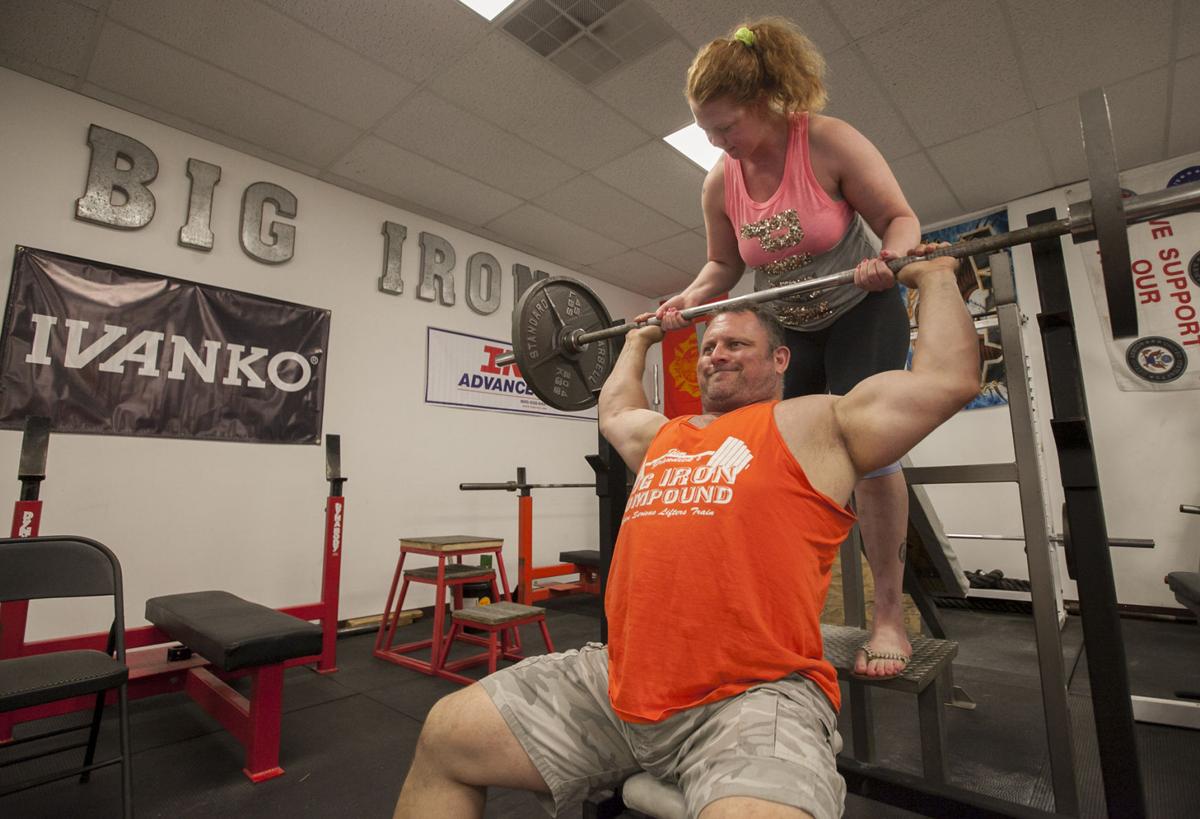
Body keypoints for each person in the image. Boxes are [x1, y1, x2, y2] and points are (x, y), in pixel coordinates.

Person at [393, 248, 978, 819]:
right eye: (709, 347)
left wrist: (933, 278)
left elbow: (948, 380)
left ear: (780, 360)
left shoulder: (819, 422)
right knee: (447, 735)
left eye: (736, 345)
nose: (716, 355)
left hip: (749, 697)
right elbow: (614, 411)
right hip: (618, 683)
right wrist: (639, 339)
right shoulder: (667, 435)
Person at [656, 18, 926, 679]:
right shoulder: (720, 181)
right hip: (789, 329)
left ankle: (889, 617)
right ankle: (783, 610)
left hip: (862, 309)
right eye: (707, 131)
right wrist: (684, 300)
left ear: (765, 100)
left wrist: (890, 259)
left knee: (872, 457)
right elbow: (723, 266)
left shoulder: (827, 142)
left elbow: (900, 218)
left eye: (727, 127)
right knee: (780, 459)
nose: (719, 143)